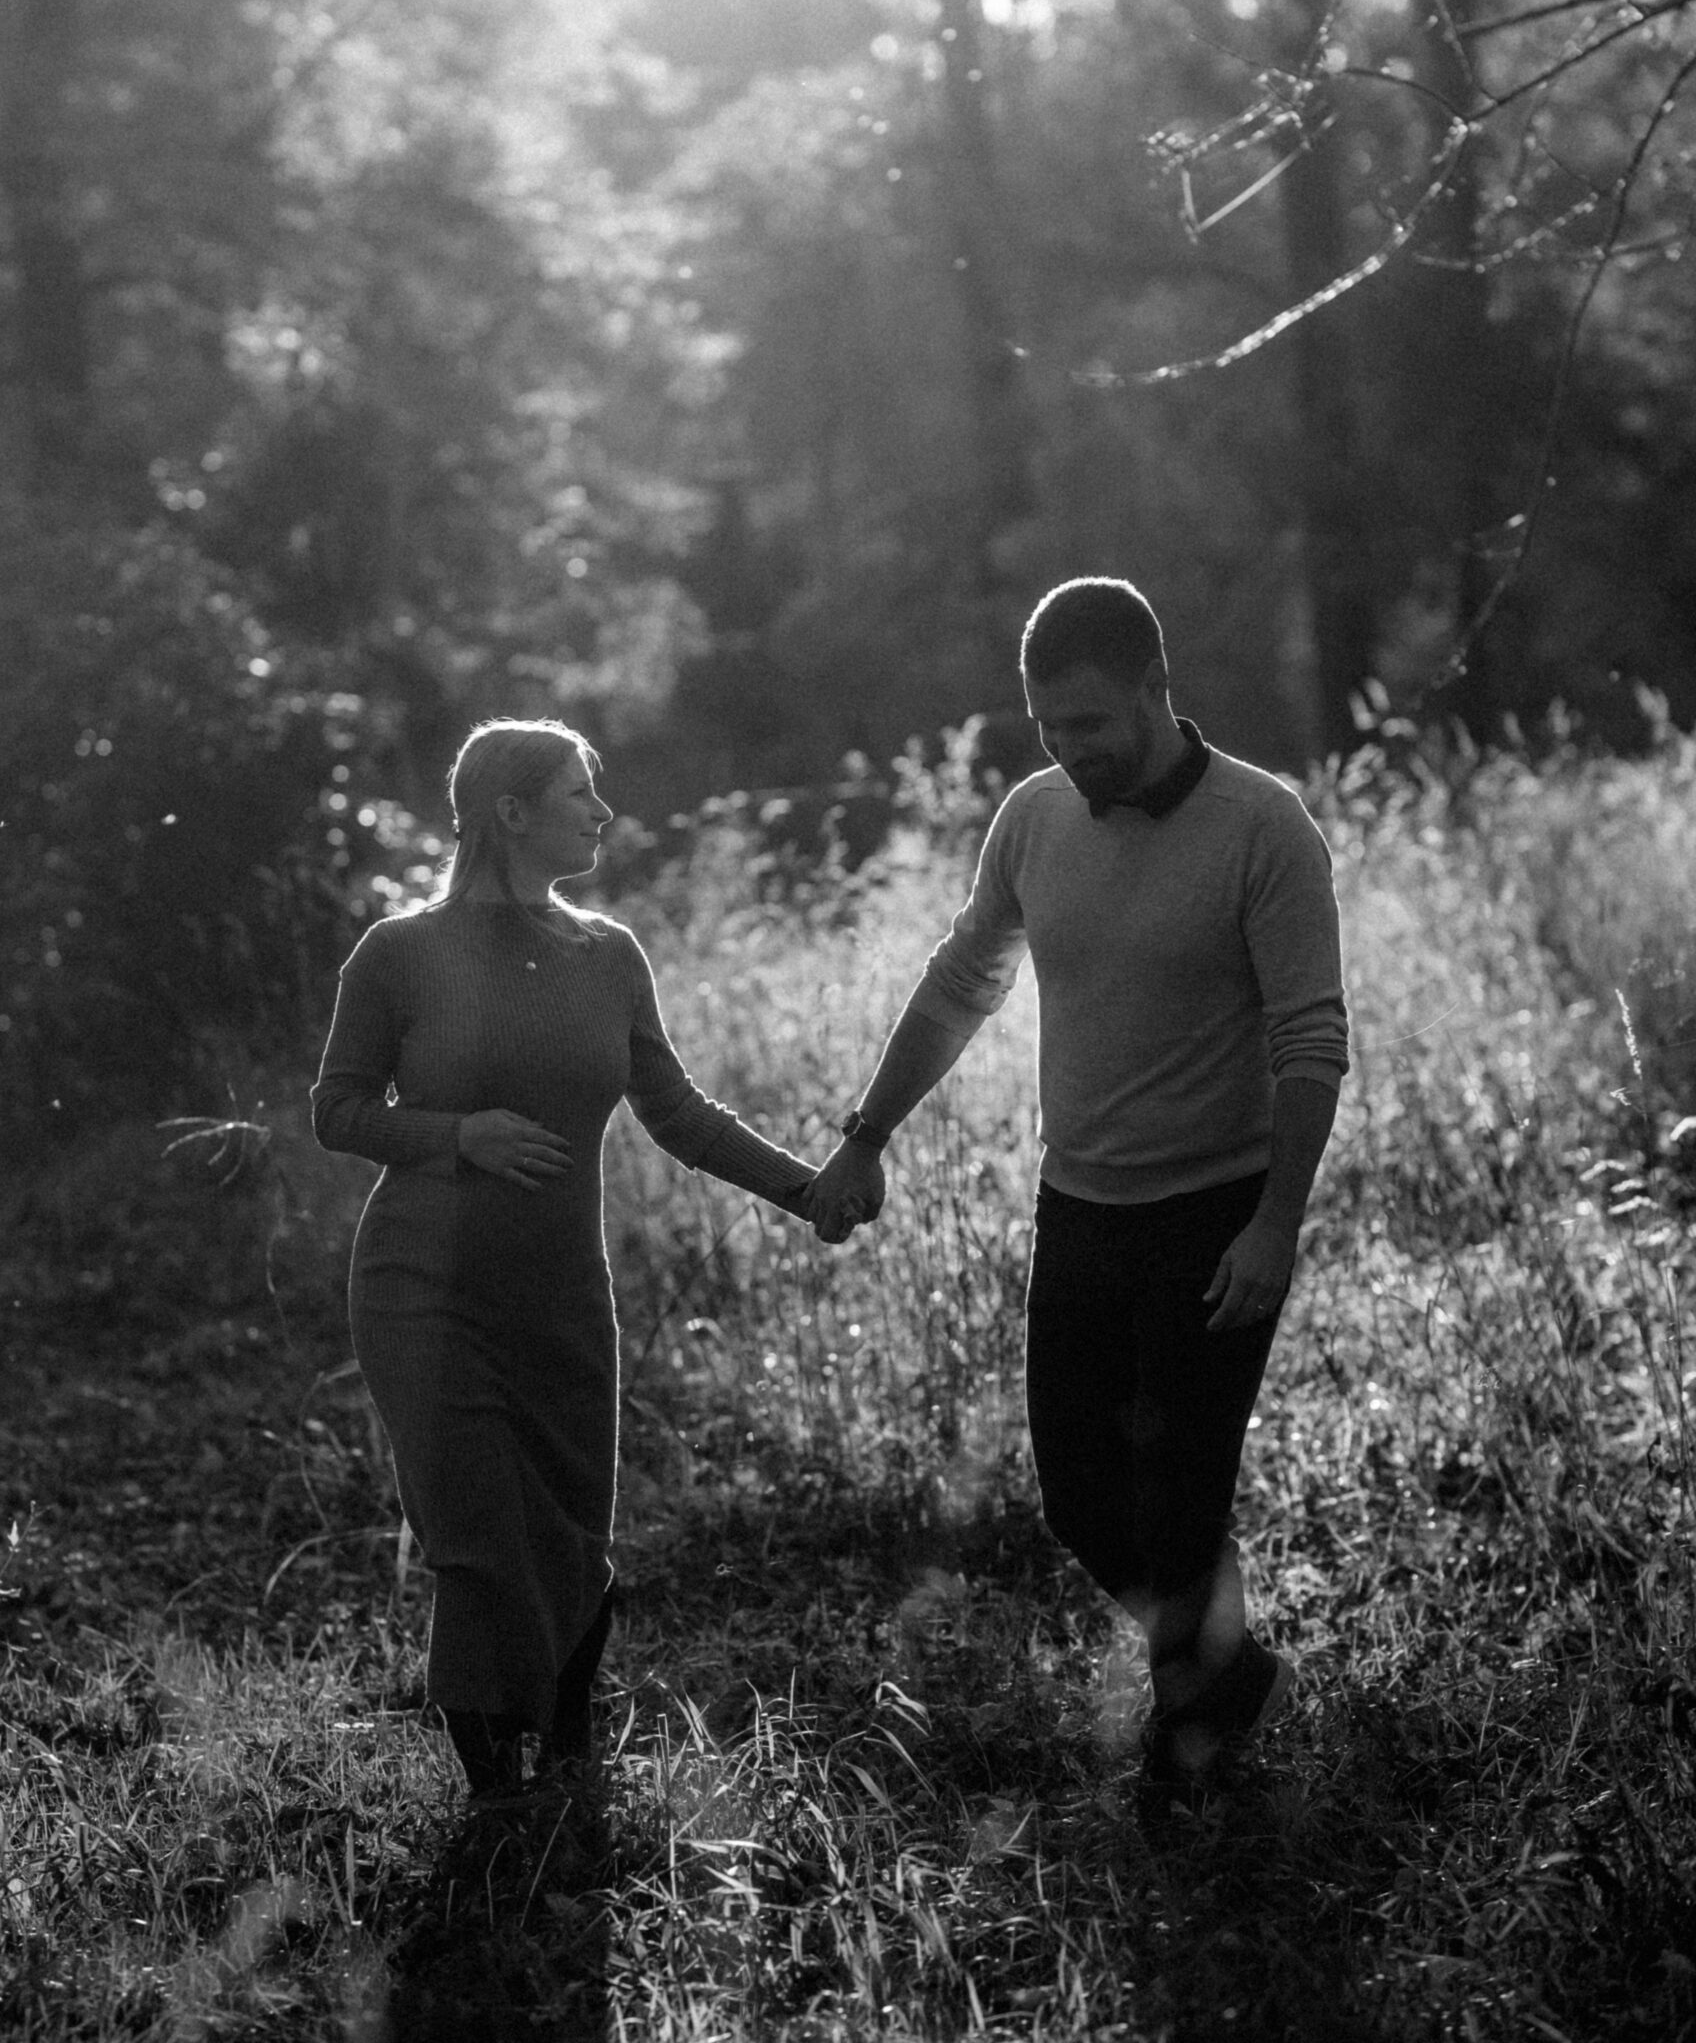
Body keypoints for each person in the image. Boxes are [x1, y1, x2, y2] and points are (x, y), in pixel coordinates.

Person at [804, 577, 1349, 1785]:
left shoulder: (1264, 827)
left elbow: (1310, 1039)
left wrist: (1274, 1225)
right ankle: (1229, 1674)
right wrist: (866, 1133)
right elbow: (962, 980)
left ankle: (1189, 1748)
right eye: (1048, 724)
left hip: (1216, 1210)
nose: (1067, 747)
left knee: (1180, 1497)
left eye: (1090, 722)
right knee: (1078, 1497)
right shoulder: (1035, 815)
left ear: (1157, 688)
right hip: (1081, 1207)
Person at [312, 718, 815, 1812]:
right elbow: (336, 1110)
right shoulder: (399, 953)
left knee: (574, 1535)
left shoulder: (609, 955)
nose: (602, 810)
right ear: (510, 811)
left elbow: (678, 1113)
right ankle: (497, 1798)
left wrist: (807, 1190)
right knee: (479, 1535)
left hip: (562, 1296)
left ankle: (572, 1761)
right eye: (581, 792)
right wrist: (458, 1135)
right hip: (422, 1291)